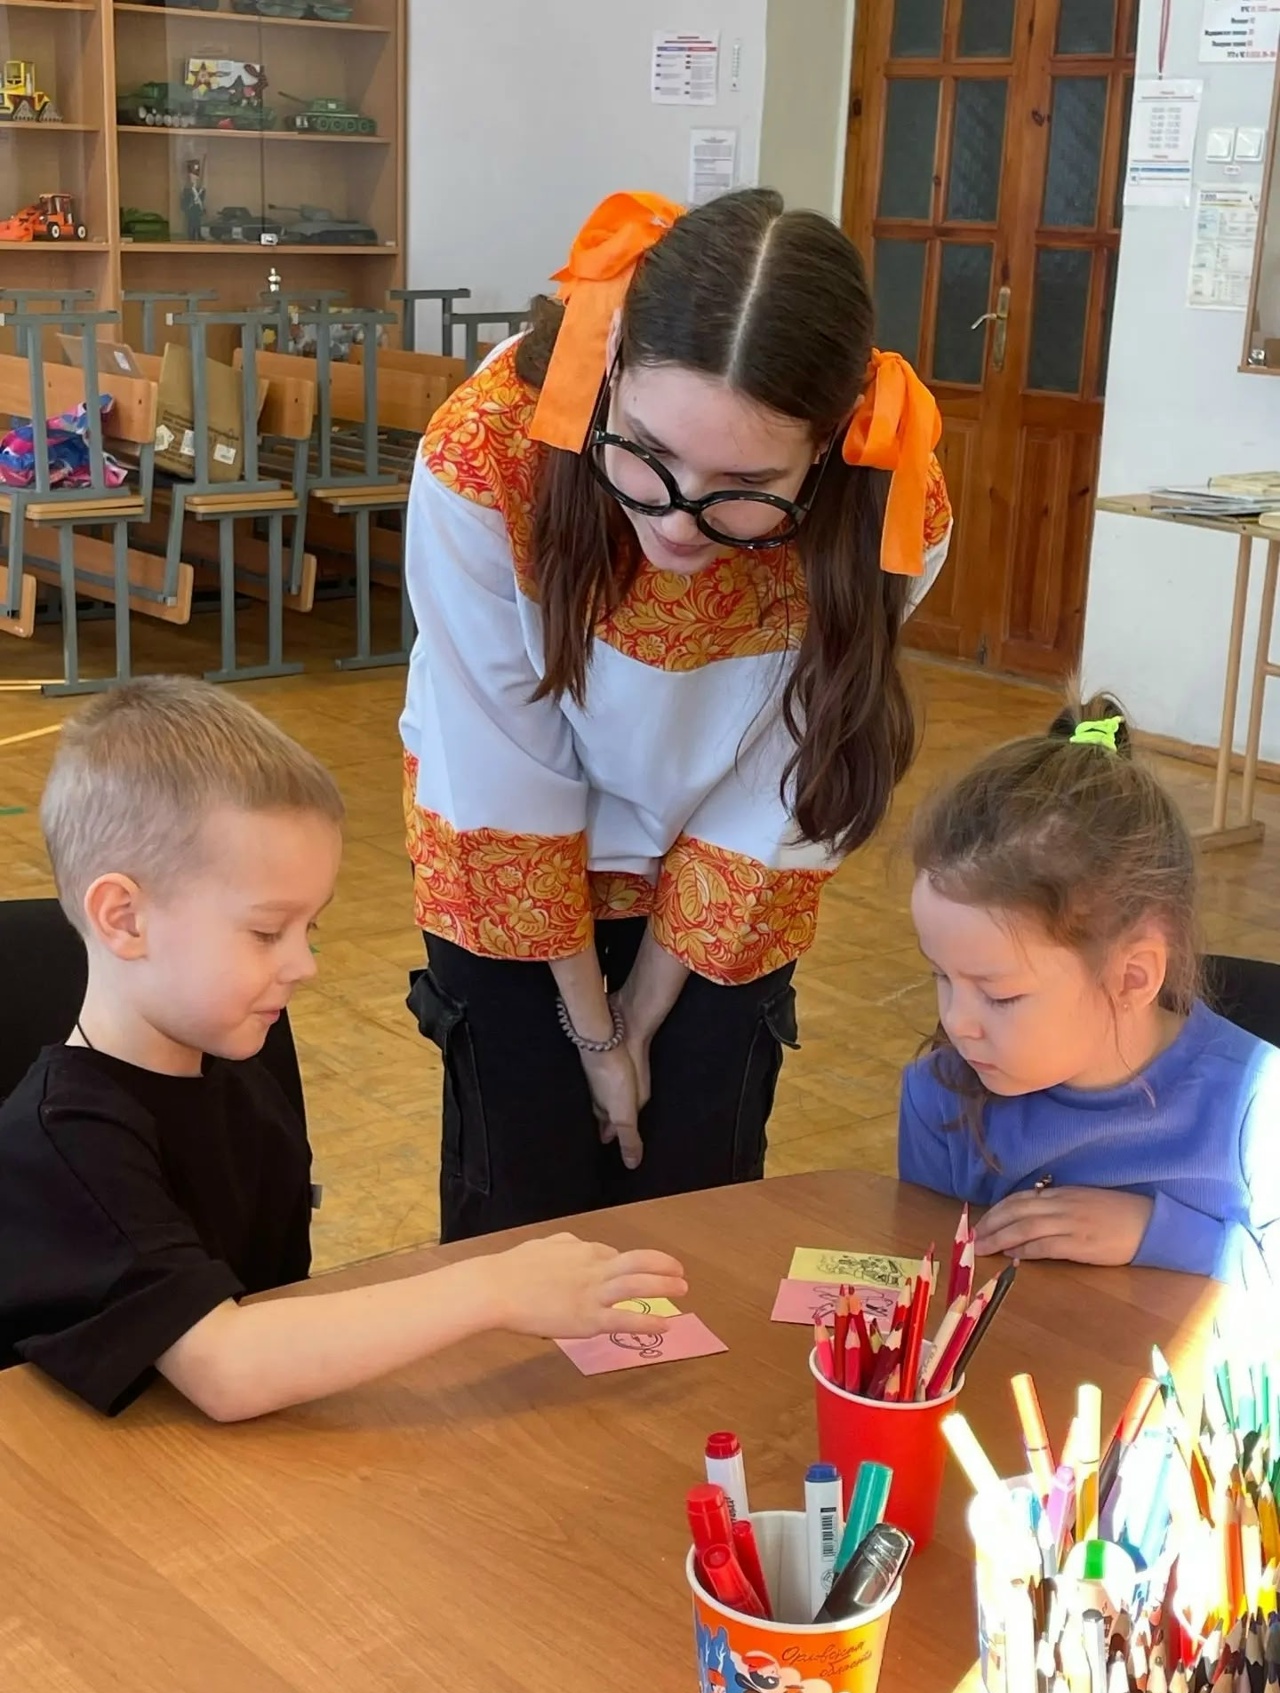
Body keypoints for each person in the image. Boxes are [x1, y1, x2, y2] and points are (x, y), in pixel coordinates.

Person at [401, 187, 953, 1240]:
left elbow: (781, 774)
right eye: (647, 451)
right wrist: (594, 1033)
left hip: (724, 888)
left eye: (744, 483)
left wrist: (647, 1009)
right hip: (504, 863)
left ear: (832, 443)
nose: (678, 518)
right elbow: (502, 753)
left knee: (696, 1210)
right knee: (519, 1215)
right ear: (608, 367)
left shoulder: (887, 503)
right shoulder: (489, 449)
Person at [0, 678, 685, 1420]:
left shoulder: (239, 1061)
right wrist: (492, 1287)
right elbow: (224, 1367)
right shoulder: (65, 1142)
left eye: (310, 929)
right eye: (267, 932)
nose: (304, 965)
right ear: (124, 919)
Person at [897, 696, 1280, 1285]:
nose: (956, 1022)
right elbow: (929, 1283)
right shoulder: (940, 1098)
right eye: (942, 977)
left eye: (1000, 996)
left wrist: (1154, 1233)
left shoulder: (1257, 1108)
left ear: (1132, 977)